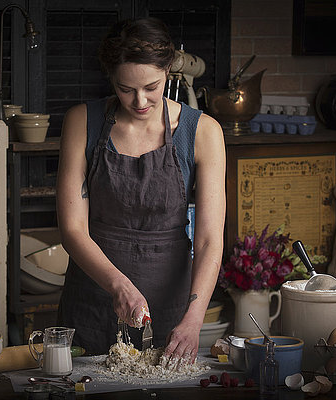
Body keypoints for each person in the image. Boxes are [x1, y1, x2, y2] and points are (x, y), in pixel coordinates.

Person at [56, 17, 226, 364]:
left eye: (151, 86)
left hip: (170, 302)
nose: (140, 101)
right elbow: (72, 229)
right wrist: (119, 286)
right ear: (110, 78)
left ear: (169, 69)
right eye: (125, 88)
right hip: (93, 295)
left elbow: (209, 239)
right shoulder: (81, 121)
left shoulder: (203, 132)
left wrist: (194, 321)